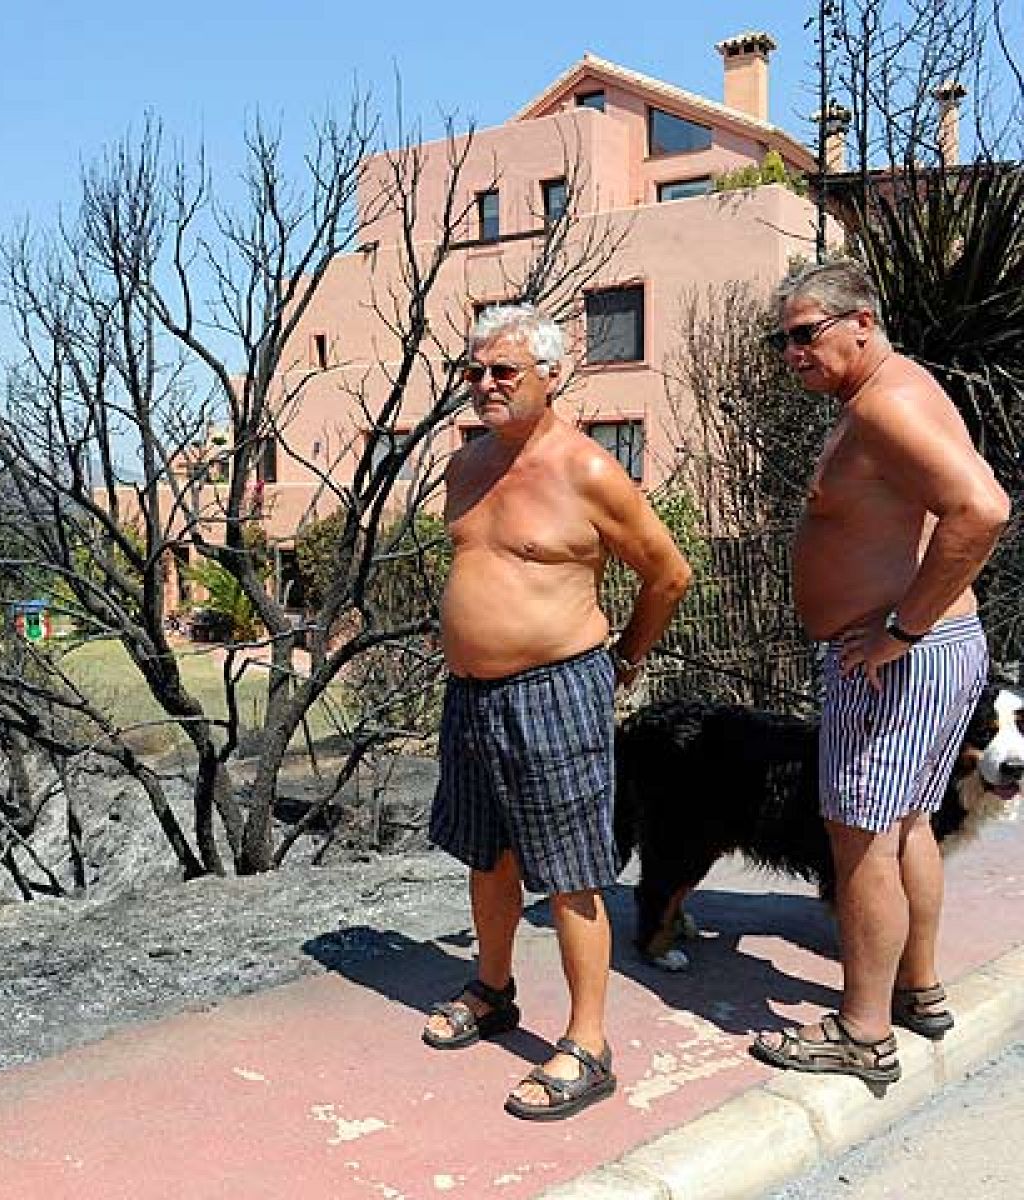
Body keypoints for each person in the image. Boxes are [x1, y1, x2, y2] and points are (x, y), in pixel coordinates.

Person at [422, 304, 691, 1120]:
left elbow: (667, 574)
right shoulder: (465, 467)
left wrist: (626, 663)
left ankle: (589, 1044)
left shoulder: (589, 471)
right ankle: (493, 988)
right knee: (486, 851)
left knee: (573, 871)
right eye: (475, 371)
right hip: (471, 696)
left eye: (505, 371)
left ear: (550, 374)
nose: (487, 384)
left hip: (555, 690)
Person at [752, 260, 1010, 1085]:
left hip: (900, 660)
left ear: (861, 320)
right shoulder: (886, 394)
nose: (791, 353)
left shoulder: (888, 402)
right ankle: (919, 990)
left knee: (860, 837)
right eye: (782, 339)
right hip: (925, 653)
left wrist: (903, 628)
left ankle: (862, 1031)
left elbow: (983, 508)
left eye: (805, 334)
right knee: (904, 829)